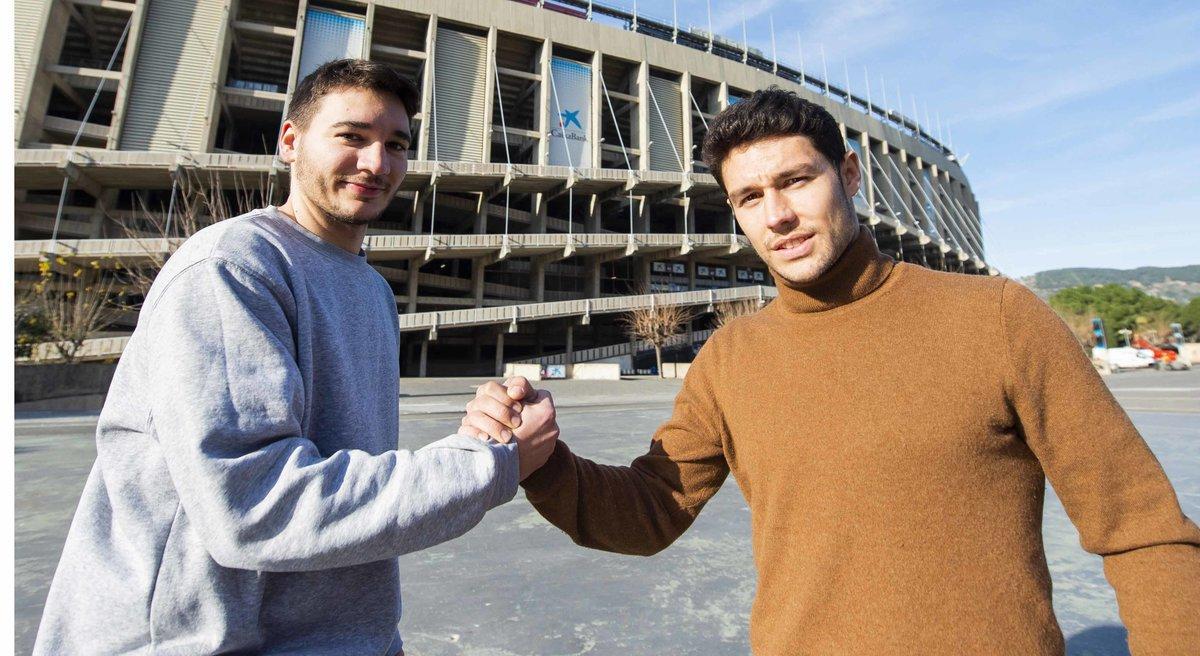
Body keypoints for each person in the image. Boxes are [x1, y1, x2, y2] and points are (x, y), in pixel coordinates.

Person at [462, 88, 1200, 654]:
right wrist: (543, 461)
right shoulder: (732, 359)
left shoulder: (997, 317)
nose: (777, 214)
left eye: (796, 181)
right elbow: (651, 511)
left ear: (848, 174)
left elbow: (1142, 529)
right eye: (750, 197)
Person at [33, 59, 558, 655]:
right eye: (352, 137)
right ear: (290, 140)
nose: (376, 163)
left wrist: (482, 435)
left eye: (395, 145)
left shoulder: (371, 291)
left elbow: (342, 461)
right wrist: (488, 466)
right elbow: (254, 504)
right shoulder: (231, 269)